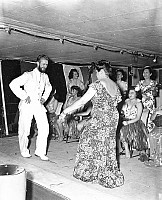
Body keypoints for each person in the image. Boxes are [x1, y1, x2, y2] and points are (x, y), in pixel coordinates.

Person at [59, 61, 124, 188]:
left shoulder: (98, 84)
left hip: (101, 117)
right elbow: (115, 104)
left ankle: (91, 172)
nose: (95, 75)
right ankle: (105, 171)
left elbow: (82, 101)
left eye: (96, 72)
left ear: (100, 71)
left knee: (88, 141)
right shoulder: (115, 86)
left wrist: (65, 112)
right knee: (107, 144)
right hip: (112, 117)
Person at [9, 55, 52, 161]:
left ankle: (40, 151)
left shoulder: (45, 76)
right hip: (27, 104)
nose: (45, 66)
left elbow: (49, 87)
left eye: (46, 64)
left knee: (44, 127)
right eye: (43, 64)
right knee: (25, 128)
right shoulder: (28, 75)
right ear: (37, 63)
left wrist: (44, 98)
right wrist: (24, 96)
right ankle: (24, 150)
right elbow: (13, 84)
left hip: (38, 104)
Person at [120, 86, 148, 158]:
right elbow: (122, 112)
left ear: (136, 94)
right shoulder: (126, 101)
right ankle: (126, 149)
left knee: (134, 132)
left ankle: (142, 151)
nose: (130, 94)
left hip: (134, 122)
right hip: (125, 120)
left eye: (132, 93)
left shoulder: (139, 103)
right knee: (121, 129)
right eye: (129, 93)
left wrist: (128, 122)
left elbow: (138, 117)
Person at [135, 66, 158, 131]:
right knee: (142, 119)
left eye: (146, 72)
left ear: (150, 74)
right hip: (142, 103)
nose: (145, 74)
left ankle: (149, 137)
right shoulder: (140, 82)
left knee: (150, 120)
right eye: (144, 72)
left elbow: (155, 94)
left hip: (150, 104)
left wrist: (153, 90)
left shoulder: (153, 83)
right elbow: (135, 91)